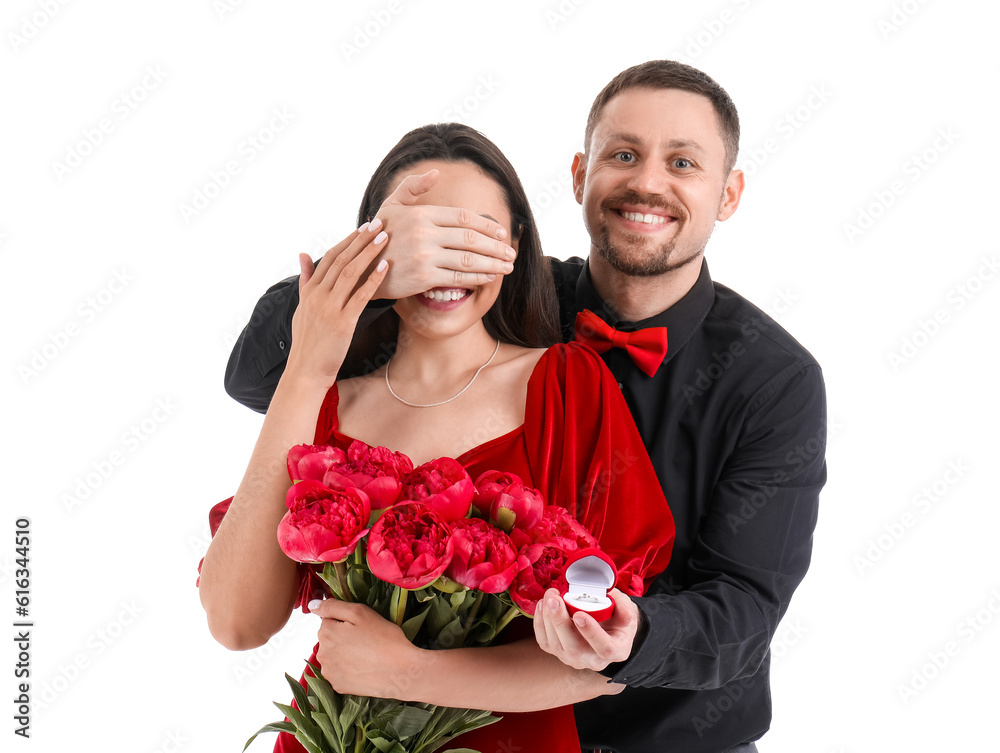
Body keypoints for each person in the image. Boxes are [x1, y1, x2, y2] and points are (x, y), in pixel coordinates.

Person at [222, 61, 828, 753]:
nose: (648, 182)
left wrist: (633, 635)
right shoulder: (494, 292)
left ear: (729, 193)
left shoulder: (776, 380)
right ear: (579, 175)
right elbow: (260, 371)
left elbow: (744, 607)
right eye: (623, 154)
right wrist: (376, 256)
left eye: (683, 162)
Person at [197, 123, 675, 753]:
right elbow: (236, 624)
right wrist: (309, 362)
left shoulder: (565, 384)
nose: (444, 263)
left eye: (473, 236)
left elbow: (602, 664)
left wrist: (407, 673)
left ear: (516, 243)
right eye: (419, 239)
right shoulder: (328, 401)